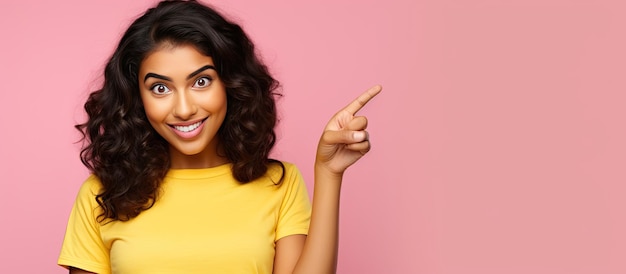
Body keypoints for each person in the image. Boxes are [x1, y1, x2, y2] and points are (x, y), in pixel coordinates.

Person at [58, 0, 381, 273]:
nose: (183, 109)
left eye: (201, 82)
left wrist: (328, 173)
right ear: (137, 98)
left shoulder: (279, 183)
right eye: (160, 88)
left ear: (229, 83)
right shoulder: (102, 194)